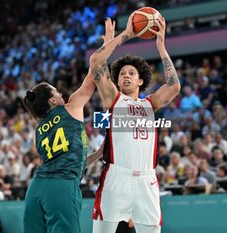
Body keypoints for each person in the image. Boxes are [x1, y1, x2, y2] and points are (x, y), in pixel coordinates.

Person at [90, 13, 180, 233]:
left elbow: (174, 86)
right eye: (122, 74)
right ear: (117, 80)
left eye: (131, 73)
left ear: (141, 80)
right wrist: (127, 34)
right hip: (116, 176)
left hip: (146, 180)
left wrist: (161, 46)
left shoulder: (151, 103)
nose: (126, 76)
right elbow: (96, 62)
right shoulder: (113, 98)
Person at [22, 19, 114, 233]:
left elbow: (69, 161)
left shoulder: (39, 129)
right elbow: (94, 72)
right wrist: (109, 42)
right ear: (52, 100)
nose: (61, 94)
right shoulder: (71, 107)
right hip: (62, 187)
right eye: (56, 92)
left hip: (36, 188)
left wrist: (99, 153)